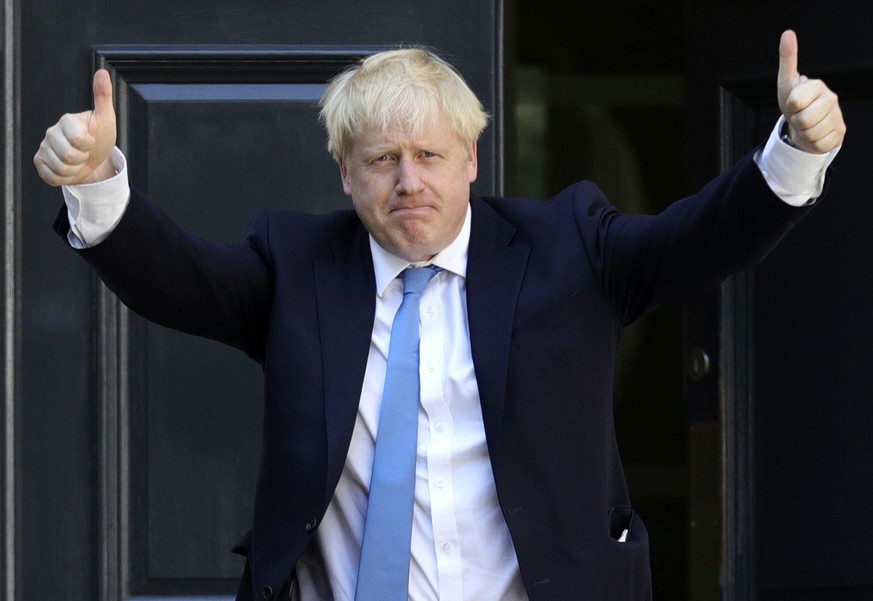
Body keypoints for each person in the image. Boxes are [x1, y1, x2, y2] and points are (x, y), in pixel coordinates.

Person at [34, 29, 844, 601]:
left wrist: (793, 150)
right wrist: (99, 178)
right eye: (382, 160)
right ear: (345, 174)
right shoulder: (296, 263)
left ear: (472, 161)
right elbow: (179, 279)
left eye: (428, 156)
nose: (408, 182)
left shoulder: (567, 246)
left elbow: (694, 240)